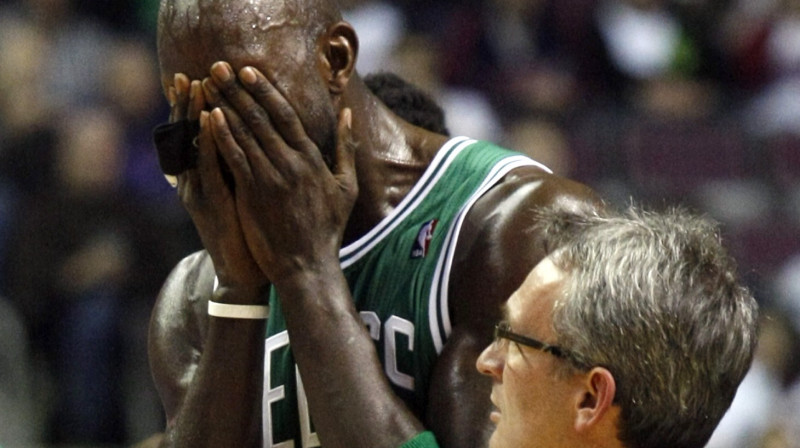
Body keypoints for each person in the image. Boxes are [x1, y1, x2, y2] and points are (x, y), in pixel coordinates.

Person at [148, 0, 599, 447]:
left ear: (336, 59)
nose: (218, 131)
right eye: (189, 106)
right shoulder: (193, 293)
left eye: (245, 96)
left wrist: (306, 272)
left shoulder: (517, 228)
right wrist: (237, 291)